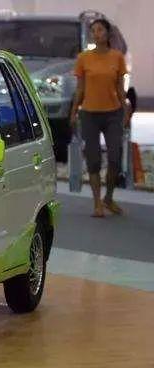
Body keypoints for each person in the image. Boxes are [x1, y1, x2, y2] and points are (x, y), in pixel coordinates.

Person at [70, 18, 128, 218]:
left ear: (107, 33)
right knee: (93, 159)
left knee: (115, 158)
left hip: (113, 113)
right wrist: (74, 111)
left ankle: (108, 198)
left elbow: (120, 89)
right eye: (93, 30)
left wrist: (126, 110)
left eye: (100, 30)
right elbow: (80, 89)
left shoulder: (117, 57)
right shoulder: (83, 58)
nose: (96, 34)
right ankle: (97, 203)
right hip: (89, 114)